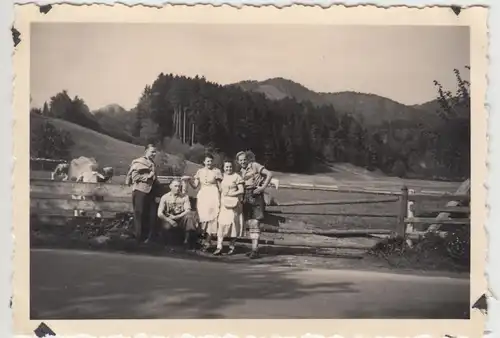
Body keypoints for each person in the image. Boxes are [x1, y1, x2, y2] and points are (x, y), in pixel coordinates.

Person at [236, 151, 273, 259]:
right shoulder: (241, 171)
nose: (243, 162)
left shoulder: (255, 165)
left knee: (255, 222)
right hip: (247, 196)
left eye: (244, 159)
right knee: (250, 223)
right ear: (238, 162)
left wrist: (262, 187)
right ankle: (253, 248)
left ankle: (255, 250)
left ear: (247, 159)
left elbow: (269, 174)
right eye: (240, 160)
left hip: (256, 195)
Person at [185, 154, 222, 251]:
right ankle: (199, 240)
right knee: (202, 217)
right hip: (203, 195)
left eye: (211, 161)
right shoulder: (200, 171)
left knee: (212, 218)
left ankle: (208, 241)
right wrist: (189, 181)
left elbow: (220, 186)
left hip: (213, 195)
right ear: (204, 162)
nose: (209, 163)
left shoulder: (216, 171)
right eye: (207, 161)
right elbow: (195, 186)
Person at [126, 144, 160, 243]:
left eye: (155, 152)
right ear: (146, 151)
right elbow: (135, 177)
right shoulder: (139, 162)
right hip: (140, 191)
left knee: (150, 215)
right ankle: (138, 237)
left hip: (151, 192)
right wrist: (148, 177)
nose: (154, 154)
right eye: (152, 151)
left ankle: (147, 238)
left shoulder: (152, 163)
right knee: (139, 214)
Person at [214, 159, 244, 256]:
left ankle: (232, 246)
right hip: (224, 204)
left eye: (230, 167)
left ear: (233, 167)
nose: (228, 168)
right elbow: (219, 188)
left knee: (233, 225)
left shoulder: (237, 177)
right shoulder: (222, 176)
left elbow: (241, 190)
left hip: (234, 204)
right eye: (226, 167)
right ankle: (219, 246)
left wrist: (232, 193)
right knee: (222, 224)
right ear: (224, 167)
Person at [157, 179, 198, 249]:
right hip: (169, 217)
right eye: (175, 186)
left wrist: (177, 217)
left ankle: (187, 241)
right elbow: (159, 213)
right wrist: (170, 220)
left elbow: (188, 210)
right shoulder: (165, 197)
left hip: (181, 217)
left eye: (179, 186)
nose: (178, 188)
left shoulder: (185, 197)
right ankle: (168, 243)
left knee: (189, 217)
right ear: (170, 186)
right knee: (167, 227)